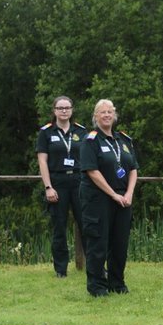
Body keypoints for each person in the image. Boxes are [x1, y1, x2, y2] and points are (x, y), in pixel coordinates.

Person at [79, 99, 138, 297]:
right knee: (98, 243)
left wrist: (128, 193)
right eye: (102, 112)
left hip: (123, 200)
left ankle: (117, 283)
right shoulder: (91, 140)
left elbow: (133, 169)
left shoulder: (124, 140)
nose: (106, 115)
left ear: (115, 115)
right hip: (99, 200)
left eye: (110, 112)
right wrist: (112, 194)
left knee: (119, 243)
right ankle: (97, 286)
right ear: (95, 116)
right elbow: (92, 171)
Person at [35, 95, 86, 277]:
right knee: (59, 227)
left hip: (79, 183)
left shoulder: (81, 132)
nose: (64, 111)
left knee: (87, 225)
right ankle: (61, 270)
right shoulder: (46, 132)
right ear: (54, 111)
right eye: (60, 108)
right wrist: (48, 187)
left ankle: (94, 266)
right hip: (57, 183)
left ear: (72, 110)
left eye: (67, 107)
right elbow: (42, 162)